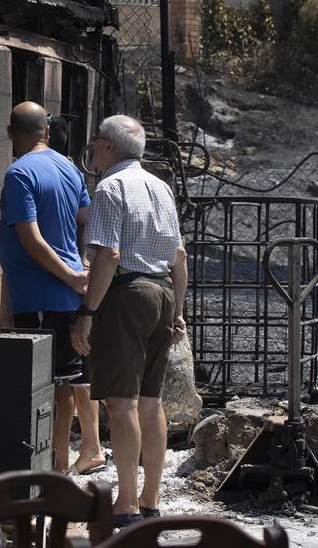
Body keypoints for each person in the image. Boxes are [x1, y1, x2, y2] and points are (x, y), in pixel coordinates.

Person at [71, 115, 186, 529]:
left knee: (122, 404)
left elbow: (109, 256)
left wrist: (86, 313)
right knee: (152, 402)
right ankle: (151, 498)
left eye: (97, 139)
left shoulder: (111, 187)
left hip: (127, 294)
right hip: (163, 292)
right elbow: (180, 257)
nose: (95, 147)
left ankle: (126, 502)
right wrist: (179, 312)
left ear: (107, 146)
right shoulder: (160, 187)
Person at [0, 101, 104, 475]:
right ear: (45, 131)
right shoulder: (70, 167)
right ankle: (61, 460)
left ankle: (54, 465)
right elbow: (87, 220)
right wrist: (84, 264)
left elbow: (32, 239)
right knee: (68, 380)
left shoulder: (19, 173)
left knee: (51, 383)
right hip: (64, 293)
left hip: (44, 294)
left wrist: (72, 276)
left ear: (11, 134)